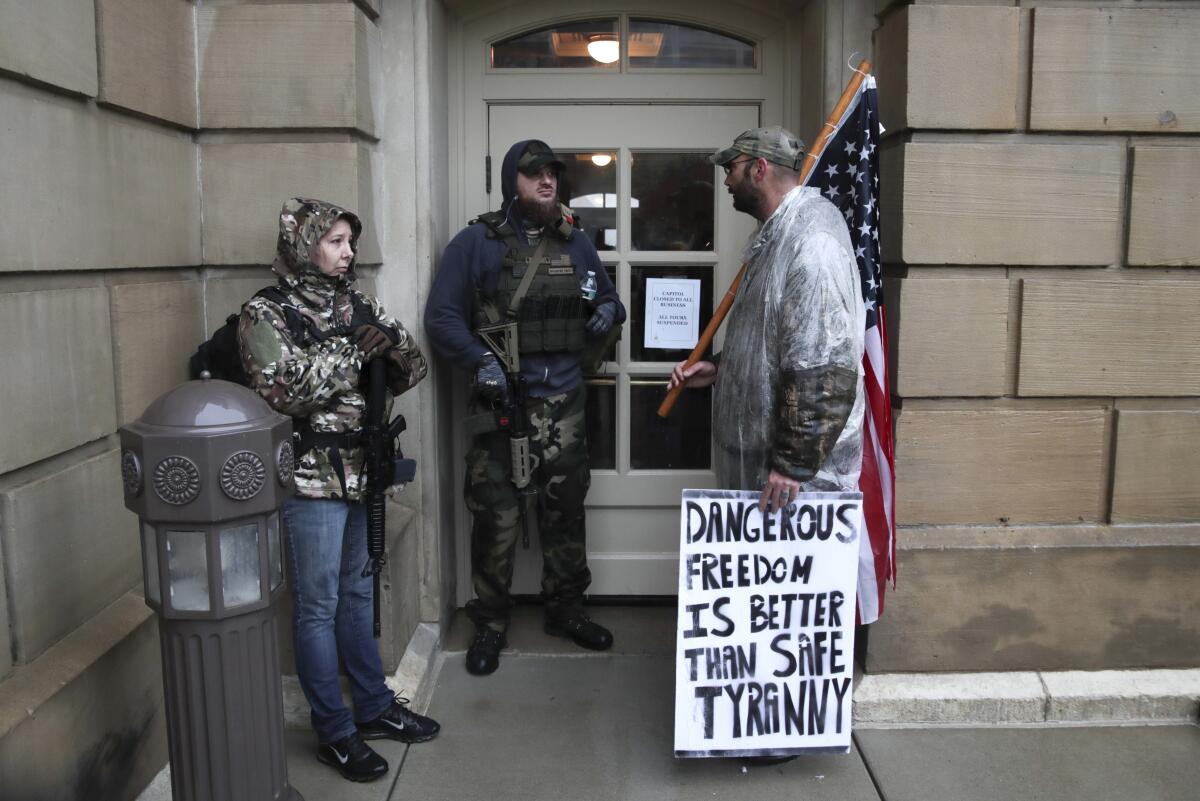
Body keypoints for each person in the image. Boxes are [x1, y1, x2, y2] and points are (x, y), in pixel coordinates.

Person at [239, 198, 440, 783]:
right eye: (333, 240)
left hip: (364, 470)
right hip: (311, 480)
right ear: (303, 245)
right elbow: (285, 389)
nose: (347, 251)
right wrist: (353, 349)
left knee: (357, 596)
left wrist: (389, 346)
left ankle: (374, 707)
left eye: (350, 240)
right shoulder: (265, 313)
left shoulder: (356, 301)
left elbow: (412, 366)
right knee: (317, 607)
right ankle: (334, 732)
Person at [425, 140, 627, 676]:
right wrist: (480, 362)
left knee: (566, 515)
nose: (547, 183)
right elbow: (442, 318)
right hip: (504, 406)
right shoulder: (475, 243)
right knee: (497, 519)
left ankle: (566, 610)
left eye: (552, 175)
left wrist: (609, 312)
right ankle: (489, 623)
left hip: (565, 406)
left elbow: (605, 296)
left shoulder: (575, 242)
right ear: (511, 180)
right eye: (534, 174)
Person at [668, 126, 866, 509]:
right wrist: (721, 368)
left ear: (759, 169)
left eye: (731, 167)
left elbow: (825, 365)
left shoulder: (811, 243)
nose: (726, 179)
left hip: (797, 490)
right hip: (770, 482)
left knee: (808, 574)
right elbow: (777, 340)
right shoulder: (776, 236)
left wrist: (793, 462)